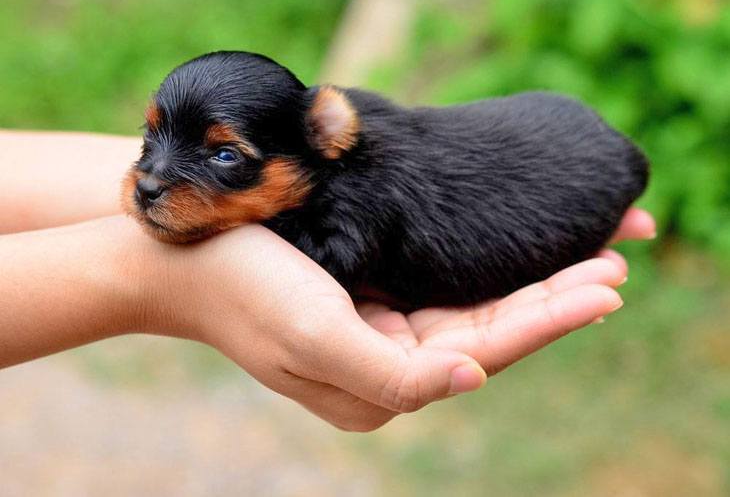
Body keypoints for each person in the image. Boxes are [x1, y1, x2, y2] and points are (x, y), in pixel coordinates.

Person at [0, 130, 655, 431]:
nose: (148, 177)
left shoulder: (355, 201)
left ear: (327, 140)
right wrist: (157, 275)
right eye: (151, 139)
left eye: (225, 154)